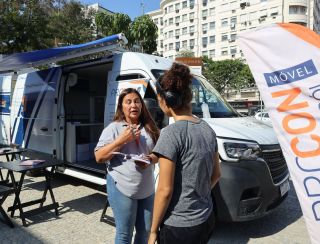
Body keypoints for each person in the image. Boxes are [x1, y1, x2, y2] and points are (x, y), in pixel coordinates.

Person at [148, 63, 221, 244]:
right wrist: (199, 194)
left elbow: (165, 191)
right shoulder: (207, 129)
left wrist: (152, 231)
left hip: (179, 227)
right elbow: (217, 174)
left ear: (167, 100)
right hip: (206, 217)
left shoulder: (170, 133)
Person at [95, 88, 159, 244]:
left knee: (145, 232)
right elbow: (99, 157)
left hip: (147, 188)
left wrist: (149, 159)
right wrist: (122, 140)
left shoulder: (150, 127)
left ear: (142, 106)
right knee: (125, 234)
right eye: (128, 102)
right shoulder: (113, 128)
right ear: (121, 107)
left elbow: (160, 154)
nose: (133, 105)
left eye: (137, 101)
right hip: (122, 187)